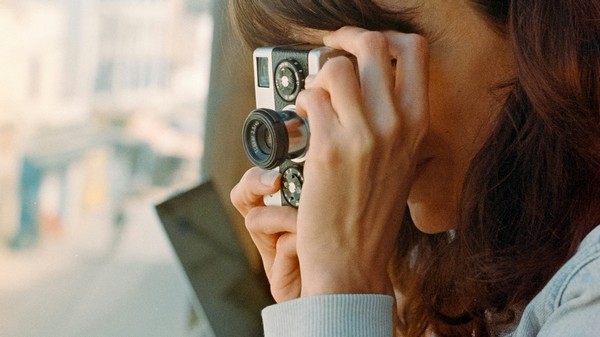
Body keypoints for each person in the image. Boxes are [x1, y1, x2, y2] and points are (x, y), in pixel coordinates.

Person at [229, 0, 600, 336]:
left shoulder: (591, 291)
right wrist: (318, 306)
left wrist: (339, 291)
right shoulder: (461, 249)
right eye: (318, 70)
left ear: (529, 21)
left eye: (387, 55)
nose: (362, 122)